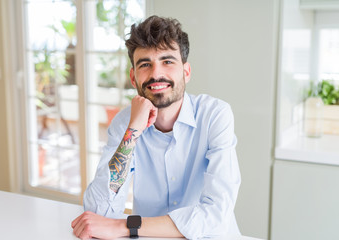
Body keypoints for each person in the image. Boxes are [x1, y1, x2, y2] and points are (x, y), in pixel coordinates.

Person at [71, 15, 241, 240]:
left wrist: (124, 226)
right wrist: (132, 131)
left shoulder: (215, 115)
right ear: (133, 77)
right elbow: (98, 212)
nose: (156, 74)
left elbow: (215, 217)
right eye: (145, 64)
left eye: (167, 61)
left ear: (186, 72)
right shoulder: (125, 123)